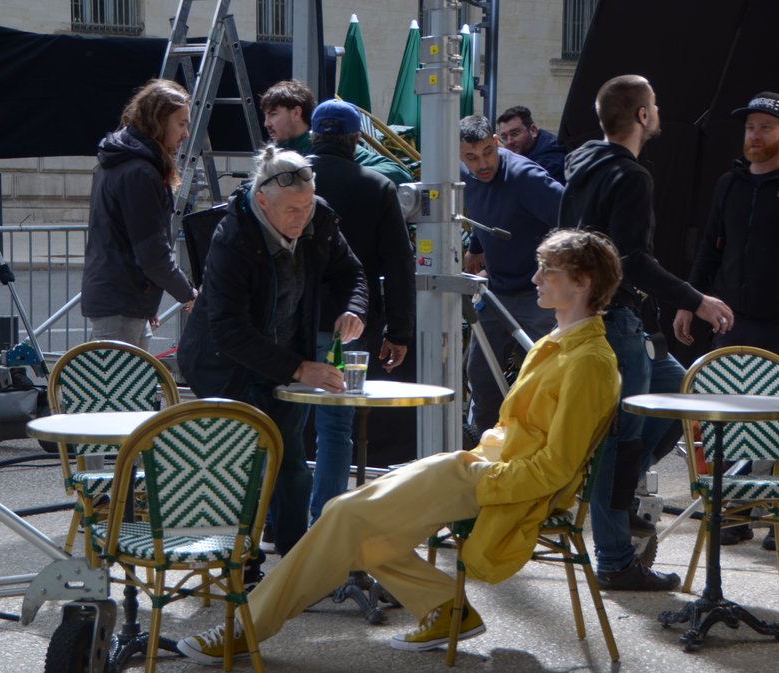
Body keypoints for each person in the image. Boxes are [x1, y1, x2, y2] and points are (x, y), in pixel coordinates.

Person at [177, 228, 622, 665]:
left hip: (499, 481)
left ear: (582, 282)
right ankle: (446, 609)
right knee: (347, 517)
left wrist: (483, 479)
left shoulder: (588, 361)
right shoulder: (558, 344)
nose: (536, 278)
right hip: (484, 468)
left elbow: (556, 468)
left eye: (548, 270)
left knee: (347, 516)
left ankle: (248, 629)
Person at [559, 74, 735, 591]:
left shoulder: (583, 170)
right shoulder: (629, 176)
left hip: (611, 320)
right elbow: (631, 259)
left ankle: (622, 489)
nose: (657, 111)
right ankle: (614, 559)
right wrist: (695, 300)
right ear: (641, 115)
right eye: (654, 105)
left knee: (685, 390)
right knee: (624, 439)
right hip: (615, 323)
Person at [177, 146, 369, 557]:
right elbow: (229, 330)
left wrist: (353, 309)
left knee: (292, 466)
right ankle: (237, 561)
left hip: (283, 356)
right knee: (242, 467)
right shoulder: (232, 238)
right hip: (225, 366)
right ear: (262, 201)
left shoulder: (320, 216)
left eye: (307, 206)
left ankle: (294, 558)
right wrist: (299, 368)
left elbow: (351, 271)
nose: (302, 218)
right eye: (292, 210)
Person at [673, 92, 779, 551]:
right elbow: (709, 250)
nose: (756, 135)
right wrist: (688, 302)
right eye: (751, 127)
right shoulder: (729, 185)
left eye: (766, 127)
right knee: (729, 419)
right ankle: (732, 513)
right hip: (731, 319)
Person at [306, 99, 417, 522]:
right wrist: (400, 331)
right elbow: (398, 263)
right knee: (336, 430)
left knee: (284, 424)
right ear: (356, 141)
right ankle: (325, 523)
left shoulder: (285, 178)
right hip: (350, 326)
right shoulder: (376, 186)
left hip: (288, 324)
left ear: (314, 134)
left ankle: (283, 524)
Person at [460, 115, 563, 435]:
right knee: (478, 372)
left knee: (543, 378)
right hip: (497, 291)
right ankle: (488, 445)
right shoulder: (465, 177)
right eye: (472, 158)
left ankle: (541, 445)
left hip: (537, 292)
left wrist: (553, 269)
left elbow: (573, 214)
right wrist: (476, 246)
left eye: (487, 153)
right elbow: (481, 214)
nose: (482, 165)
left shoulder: (525, 176)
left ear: (496, 141)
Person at [81, 78, 197, 349]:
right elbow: (152, 252)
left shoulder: (123, 161)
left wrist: (147, 302)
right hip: (120, 301)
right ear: (159, 121)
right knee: (113, 389)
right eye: (181, 124)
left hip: (122, 299)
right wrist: (187, 293)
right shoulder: (139, 172)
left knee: (125, 387)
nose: (186, 134)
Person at [260, 79, 413, 185]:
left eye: (273, 114)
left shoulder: (331, 143)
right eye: (265, 115)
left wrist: (336, 172)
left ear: (296, 113)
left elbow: (400, 174)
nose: (266, 123)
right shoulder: (272, 154)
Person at [495, 105, 568, 184]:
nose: (509, 142)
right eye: (504, 137)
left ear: (533, 130)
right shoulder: (530, 149)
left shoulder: (551, 159)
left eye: (514, 134)